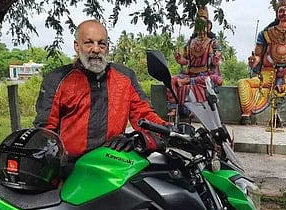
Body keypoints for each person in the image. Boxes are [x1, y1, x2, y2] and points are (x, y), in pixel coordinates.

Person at [34, 19, 167, 160]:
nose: (96, 49)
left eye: (101, 43)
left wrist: (169, 130)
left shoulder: (125, 77)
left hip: (112, 163)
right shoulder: (57, 79)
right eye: (88, 43)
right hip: (70, 166)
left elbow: (144, 115)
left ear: (107, 47)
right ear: (77, 46)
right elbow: (44, 131)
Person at [165, 5, 222, 118]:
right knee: (171, 80)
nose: (200, 29)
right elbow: (186, 61)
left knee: (206, 80)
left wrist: (216, 59)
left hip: (204, 74)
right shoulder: (190, 42)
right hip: (189, 73)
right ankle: (173, 107)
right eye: (198, 25)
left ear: (208, 26)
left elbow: (216, 63)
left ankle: (188, 83)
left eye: (203, 25)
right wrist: (179, 59)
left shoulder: (213, 43)